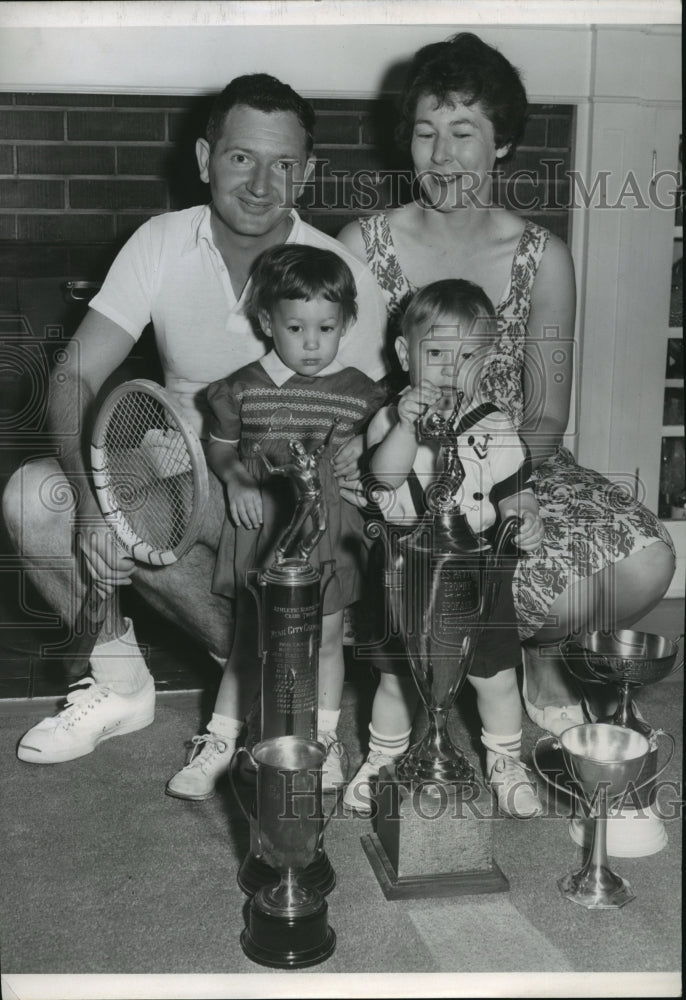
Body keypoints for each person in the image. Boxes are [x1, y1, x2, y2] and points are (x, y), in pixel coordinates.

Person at [6, 73, 389, 766]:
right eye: (242, 158)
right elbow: (73, 373)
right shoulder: (160, 241)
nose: (261, 183)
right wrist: (93, 504)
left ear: (307, 175)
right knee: (35, 498)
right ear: (207, 158)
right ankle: (124, 682)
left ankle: (264, 669)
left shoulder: (341, 273)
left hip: (278, 493)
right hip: (172, 461)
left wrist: (358, 461)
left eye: (283, 164)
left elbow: (369, 418)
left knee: (172, 512)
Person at [338, 32, 675, 738]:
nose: (442, 154)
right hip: (397, 467)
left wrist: (493, 476)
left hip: (511, 459)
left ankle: (535, 649)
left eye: (464, 132)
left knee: (647, 564)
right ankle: (434, 675)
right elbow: (339, 387)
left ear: (502, 145)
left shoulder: (542, 257)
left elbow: (548, 415)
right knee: (438, 561)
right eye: (426, 132)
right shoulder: (361, 245)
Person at [166, 244, 386, 799]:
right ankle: (221, 738)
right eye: (295, 327)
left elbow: (385, 453)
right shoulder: (240, 388)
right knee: (250, 637)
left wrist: (366, 453)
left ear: (346, 324)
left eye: (327, 327)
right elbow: (219, 450)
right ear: (267, 322)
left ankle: (325, 739)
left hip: (330, 530)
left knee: (330, 637)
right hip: (265, 527)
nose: (312, 344)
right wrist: (236, 479)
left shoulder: (360, 394)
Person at [343, 279, 544, 819]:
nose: (450, 371)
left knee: (495, 676)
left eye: (468, 357)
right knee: (395, 674)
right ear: (405, 354)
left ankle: (504, 759)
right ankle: (383, 757)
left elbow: (516, 491)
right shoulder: (388, 420)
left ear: (490, 363)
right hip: (406, 567)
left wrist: (525, 519)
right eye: (435, 354)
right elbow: (382, 479)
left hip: (477, 567)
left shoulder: (496, 426)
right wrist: (407, 426)